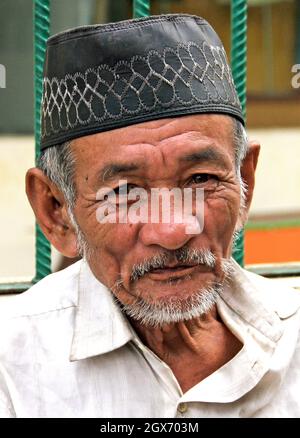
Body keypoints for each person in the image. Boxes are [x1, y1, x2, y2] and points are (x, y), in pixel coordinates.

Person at [0, 14, 300, 418]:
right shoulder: (13, 365)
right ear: (57, 211)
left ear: (244, 181)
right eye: (124, 193)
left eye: (200, 179)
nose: (174, 229)